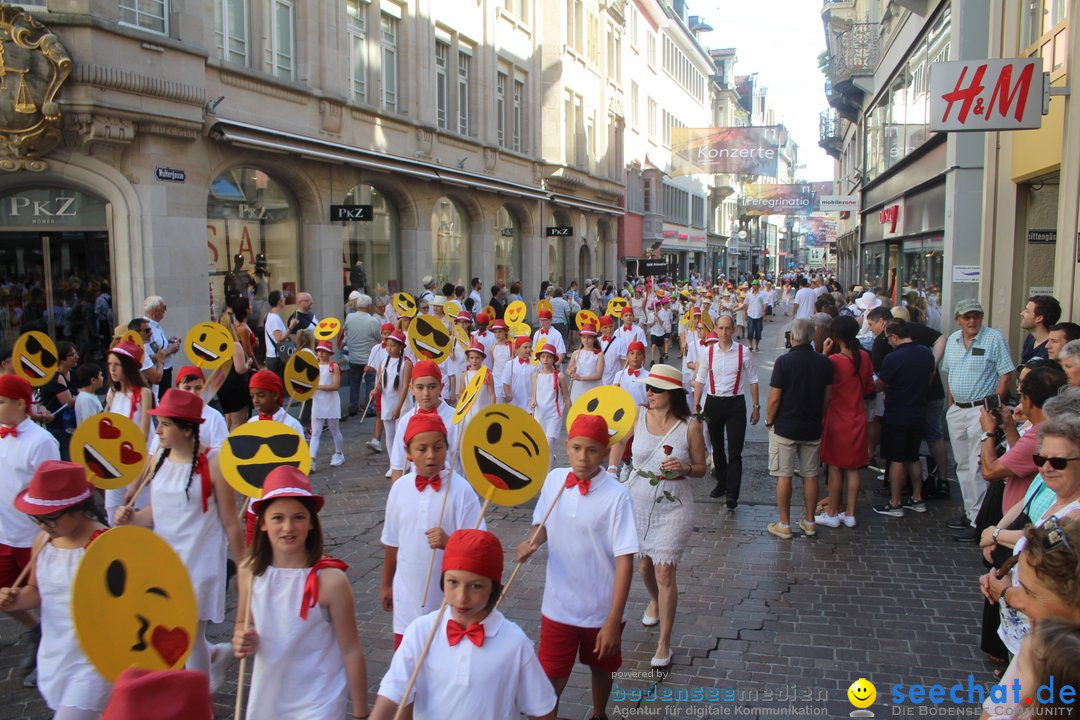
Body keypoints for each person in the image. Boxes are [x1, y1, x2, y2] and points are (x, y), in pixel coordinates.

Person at [114, 390, 245, 686]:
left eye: (164, 425)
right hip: (165, 561)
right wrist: (132, 518)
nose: (157, 431)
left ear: (187, 430)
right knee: (170, 628)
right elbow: (158, 510)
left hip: (200, 560)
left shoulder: (213, 465)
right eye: (157, 424)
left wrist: (244, 565)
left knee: (189, 636)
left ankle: (199, 705)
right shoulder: (160, 457)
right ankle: (214, 658)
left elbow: (229, 520)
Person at [515, 414, 637, 720]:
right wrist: (531, 542)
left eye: (593, 450)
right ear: (567, 447)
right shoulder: (555, 480)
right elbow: (542, 526)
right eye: (577, 448)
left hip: (600, 609)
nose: (583, 458)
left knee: (601, 667)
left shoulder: (617, 496)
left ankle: (598, 712)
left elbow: (625, 561)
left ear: (606, 450)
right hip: (558, 606)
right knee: (550, 680)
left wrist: (612, 620)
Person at [371, 530, 557, 720]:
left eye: (476, 586)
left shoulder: (515, 643)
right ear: (442, 579)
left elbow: (542, 709)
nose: (462, 598)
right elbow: (393, 690)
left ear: (493, 587)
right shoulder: (421, 631)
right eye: (453, 582)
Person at [232, 467, 369, 719]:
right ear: (262, 523)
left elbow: (350, 649)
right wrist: (241, 637)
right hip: (269, 694)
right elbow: (243, 621)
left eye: (298, 517)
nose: (288, 527)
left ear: (311, 523)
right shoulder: (249, 573)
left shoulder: (330, 580)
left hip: (319, 699)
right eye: (277, 518)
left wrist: (361, 713)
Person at [608, 364, 706, 668]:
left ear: (672, 394)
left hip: (674, 503)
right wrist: (612, 471)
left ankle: (665, 642)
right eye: (647, 388)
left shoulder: (690, 425)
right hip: (637, 499)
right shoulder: (637, 414)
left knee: (665, 572)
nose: (648, 393)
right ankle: (655, 599)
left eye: (655, 389)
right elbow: (619, 442)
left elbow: (702, 468)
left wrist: (685, 468)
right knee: (644, 567)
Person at [0, 461, 110, 718]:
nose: (42, 525)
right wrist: (15, 600)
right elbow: (35, 591)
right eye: (36, 518)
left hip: (94, 658)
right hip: (57, 650)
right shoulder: (43, 540)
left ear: (77, 509)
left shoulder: (104, 544)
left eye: (49, 518)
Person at [380, 413, 484, 649]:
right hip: (406, 595)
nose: (430, 456)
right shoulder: (400, 489)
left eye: (438, 447)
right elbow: (392, 542)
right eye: (421, 449)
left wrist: (450, 542)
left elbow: (477, 546)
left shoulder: (461, 491)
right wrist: (386, 583)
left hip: (448, 601)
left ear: (447, 447)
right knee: (407, 665)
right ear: (408, 452)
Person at [978, 518, 1080, 720]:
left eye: (1030, 592)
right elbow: (992, 712)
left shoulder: (1050, 657)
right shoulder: (1038, 643)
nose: (1015, 600)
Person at [0, 375, 60, 683]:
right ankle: (35, 628)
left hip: (32, 538)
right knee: (4, 596)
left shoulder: (42, 442)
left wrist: (50, 534)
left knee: (46, 599)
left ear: (21, 404)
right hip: (2, 534)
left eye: (1, 401)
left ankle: (48, 659)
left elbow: (53, 495)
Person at [942, 299, 1016, 542]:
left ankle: (980, 520)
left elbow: (1005, 374)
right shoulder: (952, 340)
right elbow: (950, 373)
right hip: (958, 410)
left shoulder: (993, 338)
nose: (972, 321)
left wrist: (991, 408)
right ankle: (970, 511)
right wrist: (952, 405)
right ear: (958, 319)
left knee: (978, 465)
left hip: (980, 410)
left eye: (976, 316)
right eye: (967, 317)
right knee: (962, 464)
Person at [765, 318, 833, 539]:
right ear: (812, 337)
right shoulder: (824, 362)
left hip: (785, 426)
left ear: (792, 337)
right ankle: (810, 520)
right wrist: (818, 416)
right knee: (811, 474)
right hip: (812, 425)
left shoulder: (784, 362)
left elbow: (774, 398)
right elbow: (828, 397)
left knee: (784, 475)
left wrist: (769, 420)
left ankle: (784, 524)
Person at [692, 317, 760, 509]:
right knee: (717, 448)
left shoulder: (743, 352)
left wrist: (756, 407)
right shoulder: (708, 352)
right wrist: (696, 404)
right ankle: (722, 482)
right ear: (715, 329)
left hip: (735, 404)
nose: (724, 332)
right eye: (720, 328)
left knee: (735, 451)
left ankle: (732, 493)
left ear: (733, 329)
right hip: (713, 402)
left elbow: (753, 379)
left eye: (727, 328)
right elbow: (700, 379)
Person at [872, 320, 936, 518]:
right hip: (918, 411)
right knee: (913, 456)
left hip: (898, 413)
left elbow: (880, 384)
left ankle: (895, 502)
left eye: (887, 338)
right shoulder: (926, 353)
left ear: (893, 336)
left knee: (897, 459)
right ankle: (917, 498)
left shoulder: (893, 358)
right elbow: (930, 378)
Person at [817, 316, 874, 528]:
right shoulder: (865, 358)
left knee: (834, 468)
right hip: (858, 417)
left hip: (836, 419)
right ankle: (850, 513)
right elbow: (869, 388)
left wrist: (824, 352)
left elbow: (823, 387)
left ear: (836, 336)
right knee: (853, 469)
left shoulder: (833, 361)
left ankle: (832, 511)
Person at [103, 340, 155, 520]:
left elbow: (144, 433)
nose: (112, 369)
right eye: (110, 364)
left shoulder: (144, 393)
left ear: (128, 366)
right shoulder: (112, 394)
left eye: (117, 365)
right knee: (113, 509)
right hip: (114, 461)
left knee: (137, 509)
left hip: (136, 461)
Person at [388, 361, 459, 482]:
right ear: (412, 389)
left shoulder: (457, 419)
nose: (426, 393)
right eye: (420, 387)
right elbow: (398, 466)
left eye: (432, 387)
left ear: (441, 387)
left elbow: (468, 461)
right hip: (418, 492)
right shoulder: (405, 422)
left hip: (451, 490)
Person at [218, 302, 258, 430]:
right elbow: (240, 369)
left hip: (223, 384)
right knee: (239, 421)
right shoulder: (235, 345)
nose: (237, 323)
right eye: (234, 321)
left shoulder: (217, 345)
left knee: (230, 420)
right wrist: (248, 364)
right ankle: (233, 446)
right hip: (236, 386)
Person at [379, 330, 412, 473]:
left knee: (402, 434)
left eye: (393, 345)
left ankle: (404, 462)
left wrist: (398, 407)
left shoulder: (407, 363)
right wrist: (375, 390)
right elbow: (380, 383)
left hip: (401, 403)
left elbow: (405, 386)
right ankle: (393, 464)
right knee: (389, 434)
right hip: (386, 402)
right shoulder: (382, 362)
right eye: (388, 345)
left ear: (400, 347)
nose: (389, 348)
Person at [38, 341, 78, 460]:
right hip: (58, 426)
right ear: (61, 359)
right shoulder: (55, 377)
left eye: (76, 353)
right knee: (65, 458)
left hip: (71, 425)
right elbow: (69, 402)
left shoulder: (73, 374)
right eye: (72, 355)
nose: (76, 357)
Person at [310, 341, 345, 472]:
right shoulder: (313, 365)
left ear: (329, 353)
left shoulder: (333, 366)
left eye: (324, 351)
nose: (320, 353)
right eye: (319, 350)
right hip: (318, 401)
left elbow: (336, 385)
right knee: (315, 432)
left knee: (334, 429)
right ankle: (311, 459)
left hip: (331, 402)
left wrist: (317, 387)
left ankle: (339, 453)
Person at [530, 345, 567, 466]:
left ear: (554, 359)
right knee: (541, 445)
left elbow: (566, 396)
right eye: (543, 356)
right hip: (540, 415)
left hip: (554, 414)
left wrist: (571, 413)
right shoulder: (536, 375)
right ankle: (546, 464)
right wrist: (533, 401)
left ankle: (548, 476)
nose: (546, 359)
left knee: (549, 443)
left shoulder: (559, 376)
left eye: (549, 357)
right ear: (539, 358)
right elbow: (534, 394)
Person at [144, 296, 181, 391]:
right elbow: (152, 355)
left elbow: (158, 347)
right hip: (157, 373)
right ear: (156, 310)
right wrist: (170, 349)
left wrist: (170, 342)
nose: (165, 310)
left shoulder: (156, 325)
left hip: (166, 369)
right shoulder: (146, 328)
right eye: (164, 307)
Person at [457, 341, 494, 428]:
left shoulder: (487, 374)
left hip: (483, 408)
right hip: (469, 410)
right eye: (472, 358)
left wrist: (491, 410)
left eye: (477, 358)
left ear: (482, 359)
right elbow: (461, 392)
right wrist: (465, 398)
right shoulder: (465, 375)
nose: (474, 361)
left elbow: (492, 394)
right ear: (468, 359)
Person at [566, 323, 603, 404]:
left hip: (592, 388)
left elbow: (599, 376)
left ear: (594, 339)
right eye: (584, 337)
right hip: (578, 388)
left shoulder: (599, 354)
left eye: (589, 337)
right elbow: (568, 369)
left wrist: (581, 378)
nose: (586, 340)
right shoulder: (576, 353)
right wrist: (571, 372)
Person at [1019, 294, 1061, 363]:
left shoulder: (1051, 349)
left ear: (1039, 318)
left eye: (1027, 311)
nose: (1022, 313)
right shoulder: (1030, 338)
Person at [501, 336, 536, 408]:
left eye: (530, 347)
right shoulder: (510, 364)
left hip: (532, 403)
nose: (528, 349)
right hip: (516, 403)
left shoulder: (535, 363)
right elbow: (505, 383)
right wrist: (508, 394)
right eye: (525, 347)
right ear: (517, 349)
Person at [262, 290, 289, 377]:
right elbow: (279, 339)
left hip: (272, 356)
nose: (284, 299)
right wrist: (291, 327)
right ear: (279, 301)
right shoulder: (274, 318)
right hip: (276, 358)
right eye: (283, 297)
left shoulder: (269, 315)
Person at [597, 315, 625, 386]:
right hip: (598, 379)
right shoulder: (596, 341)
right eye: (605, 327)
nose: (609, 329)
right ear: (600, 329)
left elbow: (624, 363)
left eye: (611, 326)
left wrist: (621, 379)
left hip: (614, 379)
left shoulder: (621, 342)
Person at [489, 320, 512, 403]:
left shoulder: (512, 346)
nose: (497, 334)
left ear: (505, 331)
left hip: (510, 380)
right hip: (497, 380)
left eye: (500, 331)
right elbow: (493, 363)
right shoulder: (493, 348)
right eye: (495, 332)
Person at [744, 282, 766, 352]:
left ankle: (756, 346)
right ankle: (750, 345)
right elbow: (746, 304)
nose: (753, 286)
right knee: (750, 331)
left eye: (755, 285)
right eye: (752, 285)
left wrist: (763, 312)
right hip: (750, 315)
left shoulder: (761, 295)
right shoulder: (749, 294)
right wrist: (746, 314)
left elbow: (764, 304)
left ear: (758, 286)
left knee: (758, 331)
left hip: (759, 315)